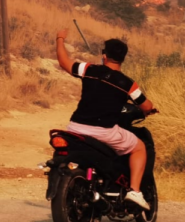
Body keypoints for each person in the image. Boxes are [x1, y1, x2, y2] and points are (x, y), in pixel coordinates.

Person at [55, 27, 157, 210]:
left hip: (75, 127)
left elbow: (64, 61)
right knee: (140, 147)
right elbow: (146, 106)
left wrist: (60, 39)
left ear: (104, 55)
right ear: (123, 58)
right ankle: (134, 191)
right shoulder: (128, 84)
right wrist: (150, 110)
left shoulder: (88, 69)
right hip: (104, 132)